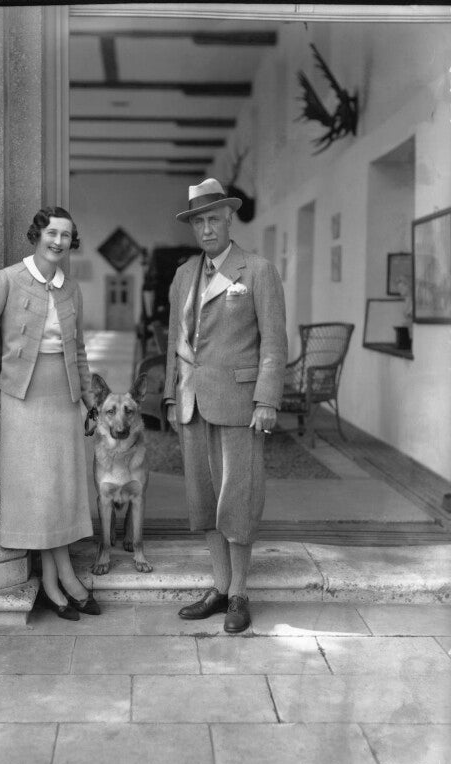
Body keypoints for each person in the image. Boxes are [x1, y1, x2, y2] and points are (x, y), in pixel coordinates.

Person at [0, 206, 100, 620]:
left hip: (65, 396)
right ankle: (62, 581)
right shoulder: (8, 279)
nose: (58, 242)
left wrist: (90, 398)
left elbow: (78, 351)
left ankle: (57, 581)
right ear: (37, 234)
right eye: (52, 233)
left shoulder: (71, 289)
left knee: (61, 489)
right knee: (40, 491)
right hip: (24, 397)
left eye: (66, 236)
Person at [163, 178, 288, 633]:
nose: (207, 228)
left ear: (230, 219)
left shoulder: (257, 271)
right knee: (205, 503)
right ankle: (218, 588)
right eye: (199, 220)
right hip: (192, 404)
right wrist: (170, 394)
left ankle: (239, 593)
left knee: (237, 499)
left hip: (239, 403)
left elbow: (274, 342)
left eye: (214, 218)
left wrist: (267, 399)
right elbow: (176, 341)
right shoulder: (183, 275)